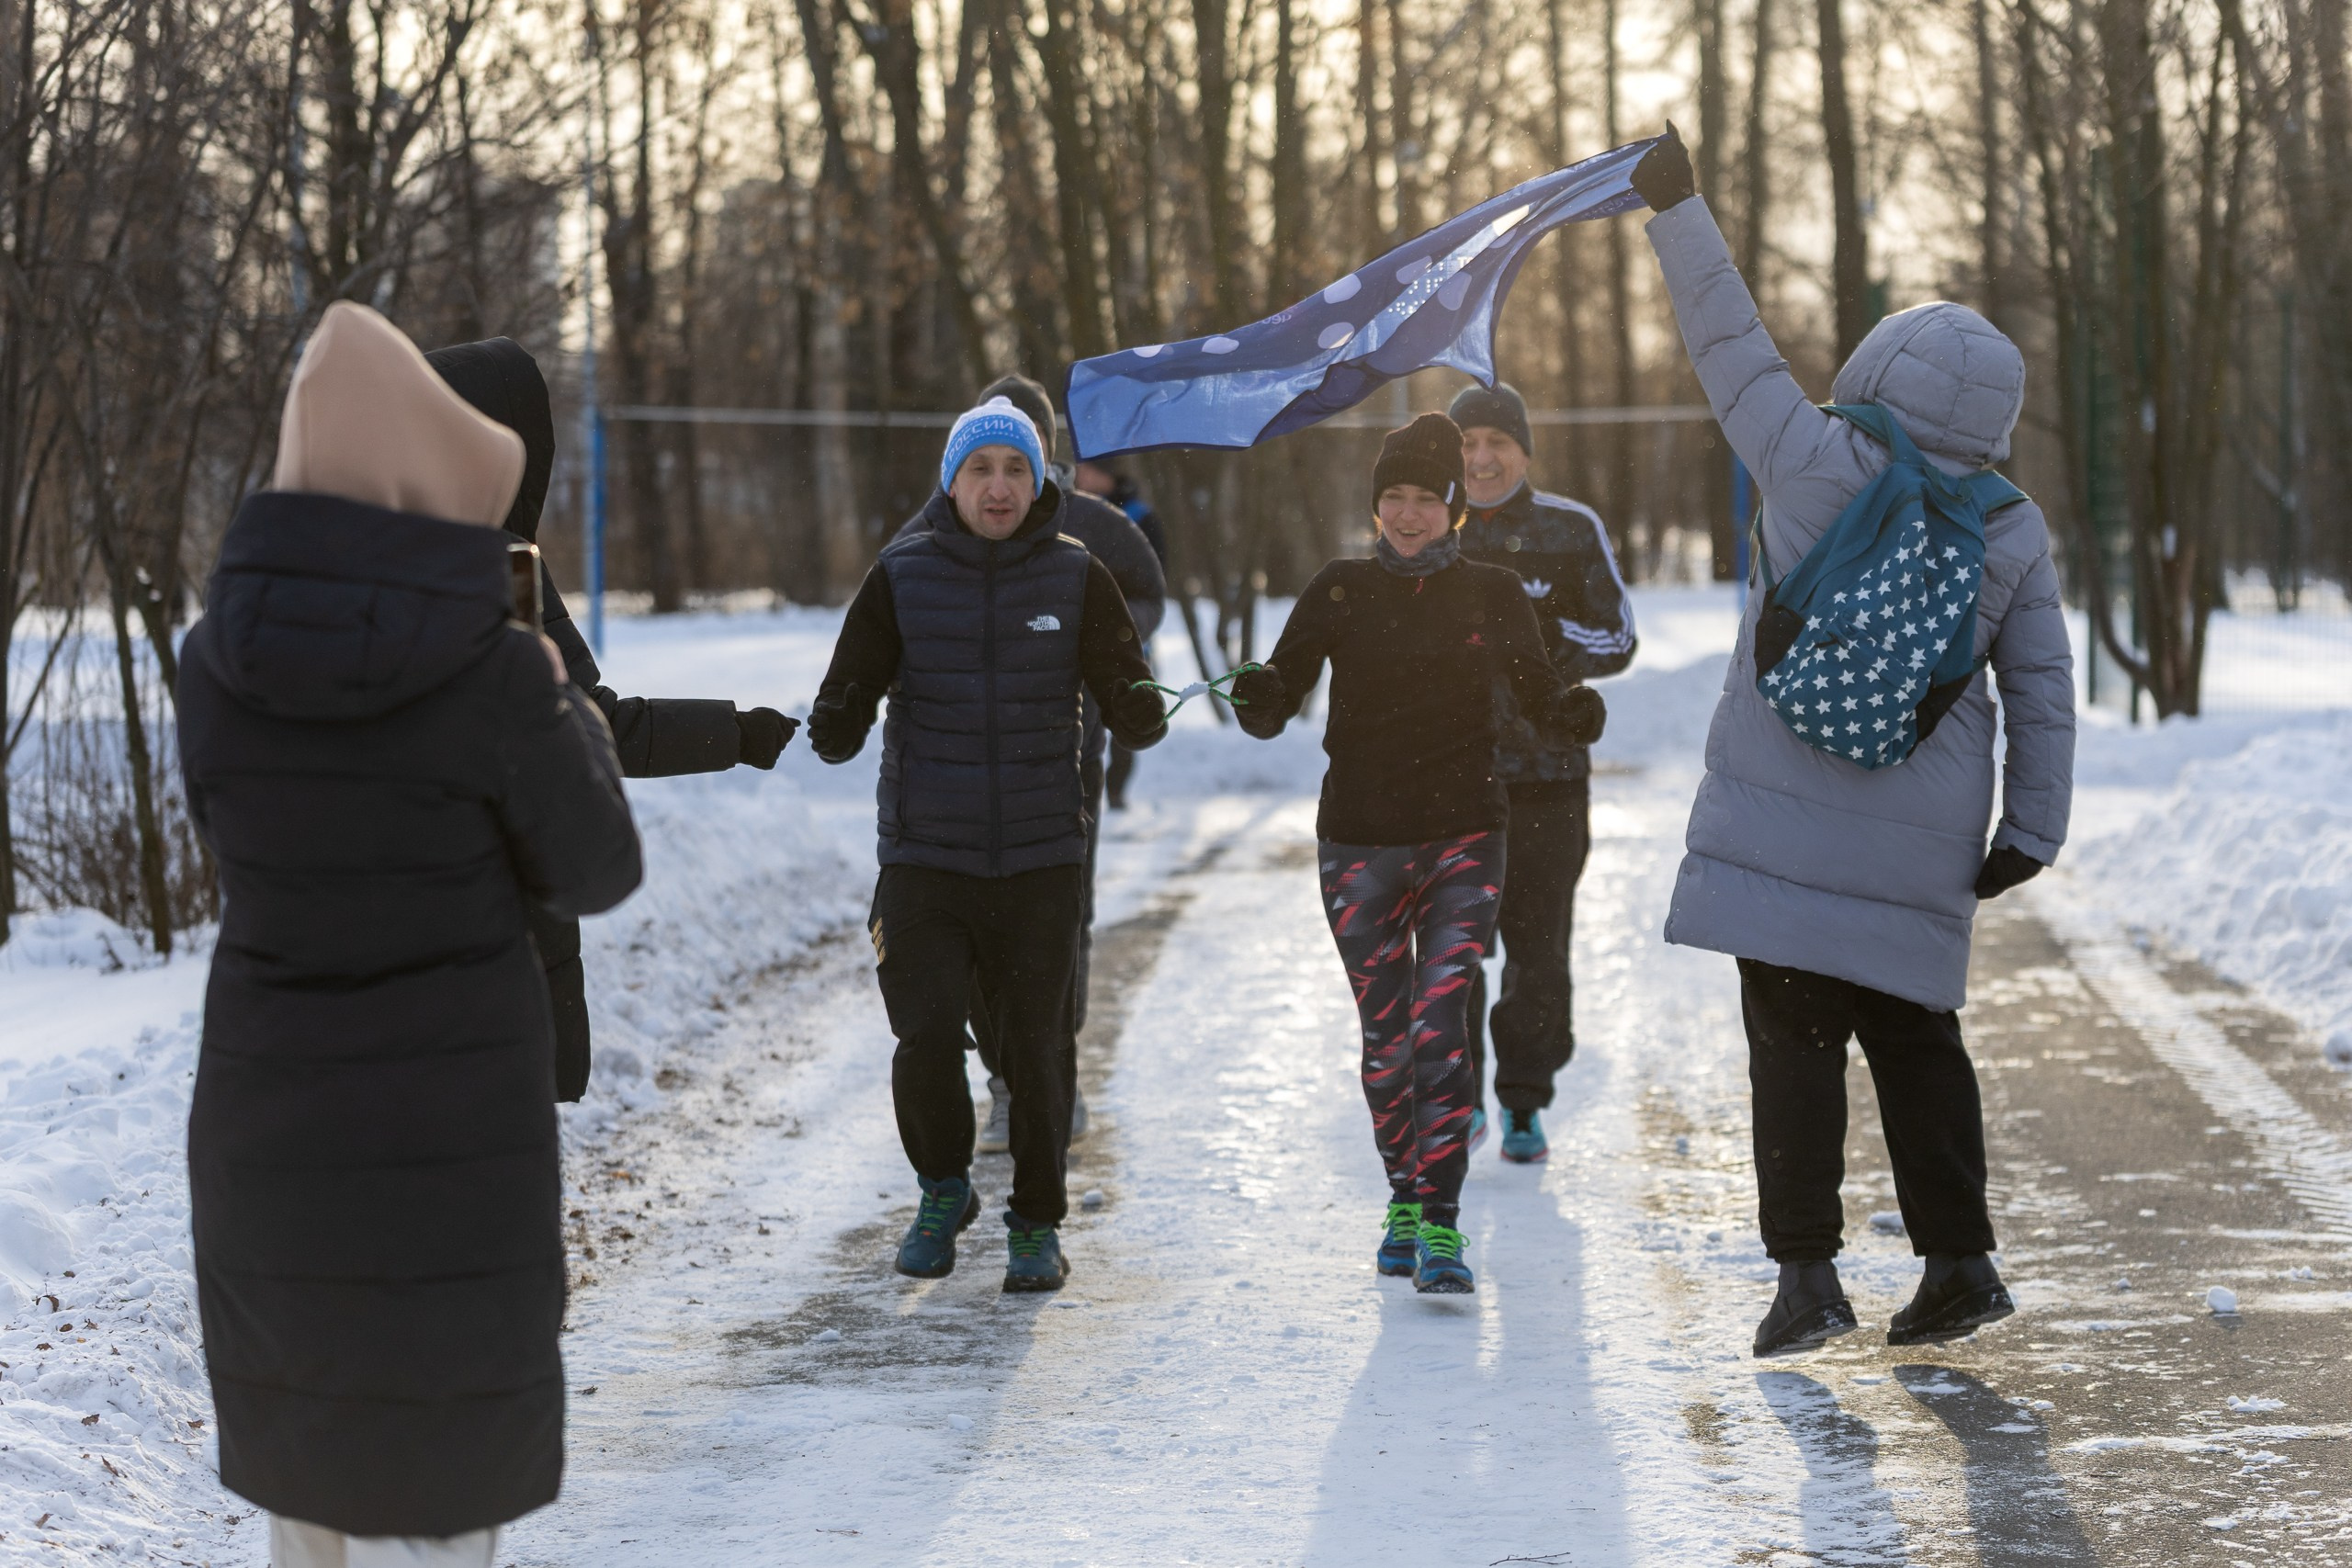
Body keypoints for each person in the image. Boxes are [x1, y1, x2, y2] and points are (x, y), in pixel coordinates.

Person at [178, 302, 643, 1566]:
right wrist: (563, 701)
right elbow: (599, 865)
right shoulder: (494, 669)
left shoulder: (210, 665)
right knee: (448, 1491)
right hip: (452, 1134)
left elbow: (242, 835)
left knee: (308, 1474)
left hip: (269, 1124)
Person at [1631, 129, 2075, 1356]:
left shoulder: (1809, 455)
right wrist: (2030, 829)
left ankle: (1807, 1279)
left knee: (1793, 1049)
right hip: (1920, 841)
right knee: (1919, 1044)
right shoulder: (2010, 526)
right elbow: (2042, 686)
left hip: (1776, 828)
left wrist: (1675, 205)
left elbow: (1730, 339)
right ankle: (1960, 1260)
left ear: (1880, 368)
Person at [1228, 414, 1605, 1295]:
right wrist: (1257, 694)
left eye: (1424, 499)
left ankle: (1440, 1220)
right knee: (1387, 1035)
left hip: (1465, 836)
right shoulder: (1339, 589)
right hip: (1357, 840)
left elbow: (1541, 689)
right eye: (1391, 497)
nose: (1407, 515)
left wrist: (1572, 713)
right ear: (1374, 506)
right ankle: (1402, 1193)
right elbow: (1280, 694)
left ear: (1452, 507)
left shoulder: (1493, 592)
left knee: (1440, 1026)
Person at [808, 397, 1168, 1292]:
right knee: (924, 1033)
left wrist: (1138, 708)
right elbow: (846, 692)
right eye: (980, 469)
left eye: (1015, 468)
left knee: (1037, 1049)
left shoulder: (1078, 573)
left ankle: (1036, 1224)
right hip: (926, 858)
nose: (998, 486)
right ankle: (942, 1187)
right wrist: (838, 717)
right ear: (952, 481)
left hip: (1039, 859)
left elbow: (1127, 687)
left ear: (1038, 478)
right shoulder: (902, 574)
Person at [425, 337, 797, 1102]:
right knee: (495, 1134)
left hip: (415, 923)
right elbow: (595, 725)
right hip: (504, 906)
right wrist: (738, 733)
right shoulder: (499, 566)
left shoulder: (385, 559)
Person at [892, 374, 1166, 1156]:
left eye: (1027, 457)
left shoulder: (1092, 527)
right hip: (958, 785)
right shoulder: (934, 526)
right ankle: (1005, 1080)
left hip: (1064, 769)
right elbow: (889, 601)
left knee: (1058, 928)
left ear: (1049, 455)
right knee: (974, 943)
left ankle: (1047, 1081)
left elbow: (1146, 589)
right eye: (988, 459)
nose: (1007, 481)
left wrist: (1095, 636)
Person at [1447, 381, 1638, 1166]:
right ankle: (1458, 1103)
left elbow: (1619, 637)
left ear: (1525, 450)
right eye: (1467, 444)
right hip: (1449, 778)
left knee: (1537, 952)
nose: (1483, 459)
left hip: (1550, 779)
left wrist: (1551, 645)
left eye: (1498, 442)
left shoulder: (1568, 528)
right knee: (1452, 951)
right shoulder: (1428, 530)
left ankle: (1525, 1099)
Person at [1072, 457, 1170, 813]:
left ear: (1104, 475)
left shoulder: (1138, 516)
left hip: (1132, 631)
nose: (1078, 474)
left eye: (1086, 469)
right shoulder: (1071, 512)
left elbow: (1154, 578)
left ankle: (1115, 787)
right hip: (1080, 635)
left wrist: (1121, 619)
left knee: (1130, 707)